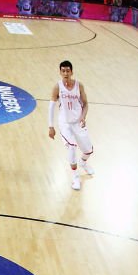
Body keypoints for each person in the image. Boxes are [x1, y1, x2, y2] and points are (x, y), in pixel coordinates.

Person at [48, 60, 94, 191]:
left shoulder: (79, 86)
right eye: (63, 71)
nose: (66, 73)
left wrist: (83, 117)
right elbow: (51, 107)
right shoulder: (57, 87)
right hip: (65, 122)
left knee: (88, 150)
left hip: (77, 122)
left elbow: (85, 104)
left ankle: (83, 162)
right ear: (60, 72)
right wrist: (51, 126)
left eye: (68, 70)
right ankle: (75, 177)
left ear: (72, 72)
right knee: (72, 146)